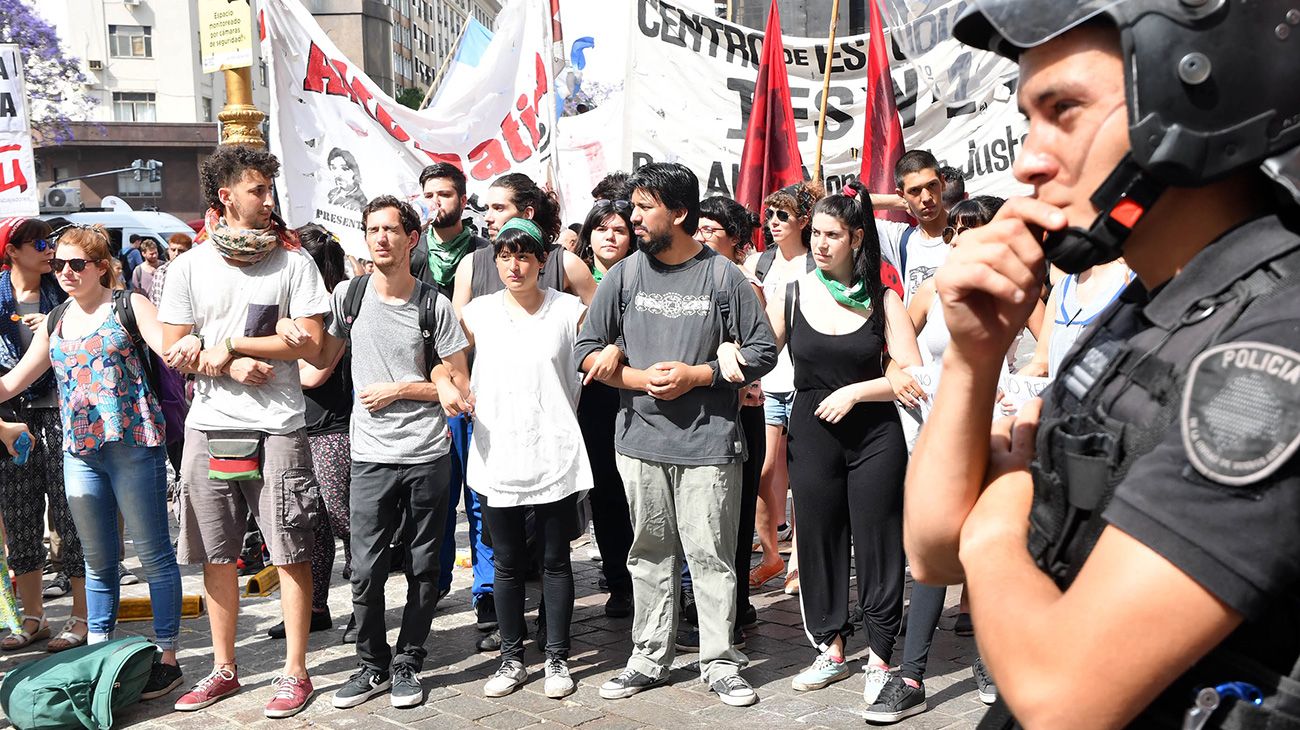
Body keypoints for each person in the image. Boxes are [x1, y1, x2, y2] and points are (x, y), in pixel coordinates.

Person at [907, 3, 1300, 727]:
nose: (1029, 157)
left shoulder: (1272, 350)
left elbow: (1064, 697)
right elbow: (932, 550)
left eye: (1065, 110)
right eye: (1030, 116)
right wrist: (973, 354)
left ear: (1190, 102)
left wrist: (998, 511)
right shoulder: (1148, 306)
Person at [575, 162, 777, 707]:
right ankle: (648, 657)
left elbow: (763, 351)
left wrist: (702, 375)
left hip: (710, 444)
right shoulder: (623, 276)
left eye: (645, 207)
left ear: (680, 213)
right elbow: (585, 349)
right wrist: (636, 376)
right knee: (648, 553)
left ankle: (720, 661)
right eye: (633, 207)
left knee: (711, 556)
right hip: (638, 441)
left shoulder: (723, 278)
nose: (633, 218)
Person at [160, 144, 330, 719]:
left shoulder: (293, 263)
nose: (268, 201)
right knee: (217, 553)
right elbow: (173, 348)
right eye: (258, 190)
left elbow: (304, 340)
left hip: (278, 424)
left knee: (290, 548)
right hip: (209, 427)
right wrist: (226, 364)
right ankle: (223, 668)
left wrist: (229, 344)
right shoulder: (187, 267)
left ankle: (296, 671)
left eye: (269, 189)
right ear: (226, 197)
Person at [740, 192, 920, 704]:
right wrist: (730, 354)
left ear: (856, 238)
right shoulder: (792, 294)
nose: (820, 243)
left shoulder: (885, 299)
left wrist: (859, 390)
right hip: (813, 433)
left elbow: (911, 375)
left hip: (875, 434)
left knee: (879, 541)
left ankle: (882, 656)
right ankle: (832, 647)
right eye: (815, 232)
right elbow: (759, 354)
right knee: (818, 539)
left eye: (832, 234)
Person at [0, 224, 186, 700]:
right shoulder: (57, 316)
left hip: (133, 445)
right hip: (79, 452)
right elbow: (14, 381)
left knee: (154, 555)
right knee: (97, 560)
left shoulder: (129, 305)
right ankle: (99, 654)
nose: (64, 271)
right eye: (58, 263)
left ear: (102, 266)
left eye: (76, 263)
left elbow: (170, 350)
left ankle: (167, 656)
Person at [309, 196, 471, 710]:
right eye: (372, 229)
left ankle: (409, 659)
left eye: (391, 229)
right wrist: (283, 340)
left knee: (424, 566)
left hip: (427, 453)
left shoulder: (434, 305)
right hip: (371, 455)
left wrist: (402, 389)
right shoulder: (348, 297)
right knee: (364, 568)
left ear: (411, 238)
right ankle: (371, 663)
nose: (381, 238)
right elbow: (320, 361)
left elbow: (460, 387)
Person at [864, 195, 1007, 724]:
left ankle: (991, 661)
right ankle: (911, 676)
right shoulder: (930, 290)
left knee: (989, 552)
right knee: (932, 555)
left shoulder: (1017, 293)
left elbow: (1045, 353)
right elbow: (899, 348)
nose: (961, 238)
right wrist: (901, 372)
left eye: (975, 229)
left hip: (995, 437)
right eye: (957, 230)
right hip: (937, 440)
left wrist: (1018, 389)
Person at [450, 172, 595, 652]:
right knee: (507, 561)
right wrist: (446, 383)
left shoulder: (570, 311)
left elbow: (605, 348)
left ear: (541, 261)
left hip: (554, 446)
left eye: (525, 257)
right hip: (499, 451)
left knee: (556, 561)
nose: (515, 267)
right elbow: (445, 358)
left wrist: (613, 356)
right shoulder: (479, 313)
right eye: (506, 257)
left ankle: (556, 654)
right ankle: (511, 655)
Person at [0, 216, 89, 653]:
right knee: (19, 514)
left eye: (47, 240)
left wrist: (54, 328)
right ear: (11, 251)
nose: (46, 247)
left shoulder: (64, 291)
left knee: (71, 512)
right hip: (9, 416)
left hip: (63, 411)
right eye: (35, 241)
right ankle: (32, 617)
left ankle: (82, 615)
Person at [410, 163, 494, 623]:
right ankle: (432, 581)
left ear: (463, 198)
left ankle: (485, 590)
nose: (436, 202)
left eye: (445, 194)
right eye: (430, 195)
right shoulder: (410, 252)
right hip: (423, 392)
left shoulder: (486, 254)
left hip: (478, 388)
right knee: (434, 499)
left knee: (479, 496)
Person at [264, 225, 351, 642]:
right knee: (306, 525)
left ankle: (362, 605)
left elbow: (315, 374)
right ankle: (315, 609)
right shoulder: (290, 313)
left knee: (346, 522)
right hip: (296, 427)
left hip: (333, 429)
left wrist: (269, 366)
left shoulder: (335, 309)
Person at [693, 195, 765, 642]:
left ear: (735, 240)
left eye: (709, 230)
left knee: (733, 520)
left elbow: (760, 353)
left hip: (740, 416)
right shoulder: (689, 278)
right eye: (696, 228)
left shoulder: (743, 286)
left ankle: (734, 612)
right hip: (698, 415)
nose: (699, 236)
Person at [746, 182, 822, 594]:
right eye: (769, 216)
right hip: (769, 381)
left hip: (806, 382)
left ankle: (800, 560)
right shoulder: (762, 262)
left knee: (804, 472)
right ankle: (771, 554)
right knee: (765, 470)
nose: (773, 223)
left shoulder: (817, 262)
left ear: (803, 222)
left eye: (783, 216)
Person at [572, 198, 638, 618]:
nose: (610, 237)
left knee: (643, 491)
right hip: (592, 396)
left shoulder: (645, 274)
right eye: (602, 229)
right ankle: (619, 580)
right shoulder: (569, 279)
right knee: (607, 493)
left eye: (619, 229)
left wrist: (619, 345)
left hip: (639, 391)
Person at [876, 150, 953, 303]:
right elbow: (848, 207)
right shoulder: (901, 239)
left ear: (943, 183)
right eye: (915, 191)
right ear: (901, 194)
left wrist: (909, 198)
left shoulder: (968, 230)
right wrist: (901, 202)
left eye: (931, 185)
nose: (926, 198)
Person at [149, 233, 192, 309]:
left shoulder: (194, 273)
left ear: (189, 251)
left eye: (181, 251)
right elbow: (154, 300)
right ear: (168, 250)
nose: (176, 254)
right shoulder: (160, 272)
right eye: (173, 250)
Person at [326, 148, 367, 212]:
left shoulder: (360, 202)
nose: (338, 174)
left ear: (355, 171)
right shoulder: (331, 194)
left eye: (344, 168)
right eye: (334, 168)